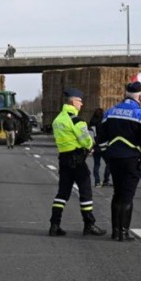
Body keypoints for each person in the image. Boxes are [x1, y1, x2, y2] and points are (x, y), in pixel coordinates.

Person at [97, 81, 141, 242]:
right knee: (127, 196)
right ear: (139, 96)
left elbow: (101, 137)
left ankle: (115, 231)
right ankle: (124, 232)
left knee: (117, 194)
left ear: (126, 94)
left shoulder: (110, 112)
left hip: (114, 158)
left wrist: (107, 153)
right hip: (132, 159)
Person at [48, 88, 106, 237]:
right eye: (80, 101)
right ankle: (89, 225)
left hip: (63, 159)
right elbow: (86, 140)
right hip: (77, 160)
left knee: (62, 193)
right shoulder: (76, 120)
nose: (82, 104)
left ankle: (54, 225)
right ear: (73, 102)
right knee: (85, 191)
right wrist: (91, 145)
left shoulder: (57, 120)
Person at [88, 108, 112, 188]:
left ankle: (97, 182)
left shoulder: (92, 123)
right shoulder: (104, 123)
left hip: (95, 146)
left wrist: (91, 146)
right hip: (104, 146)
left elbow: (90, 135)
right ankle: (106, 180)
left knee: (96, 164)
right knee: (109, 163)